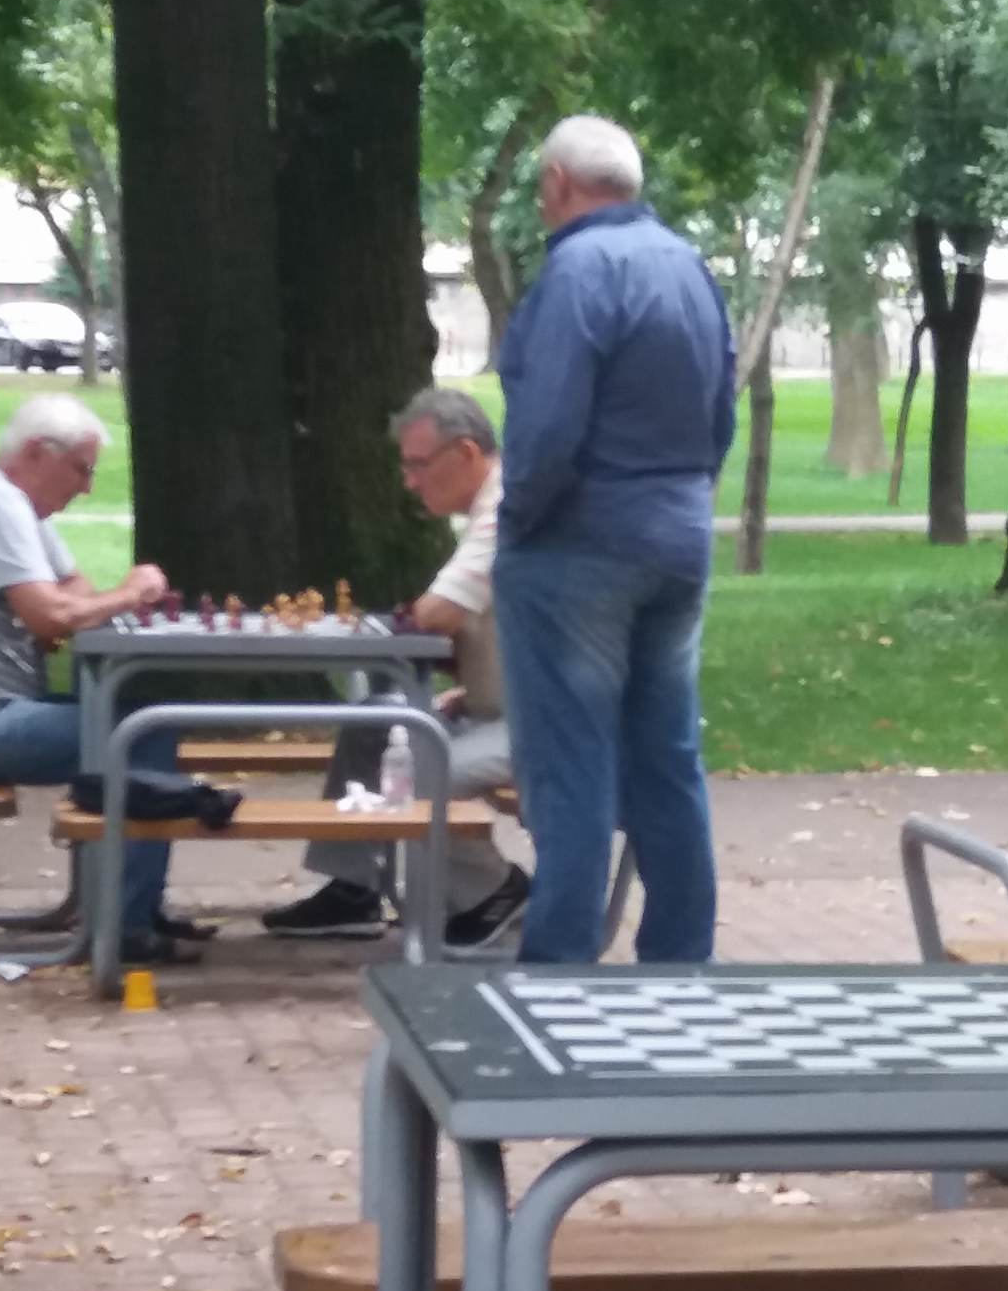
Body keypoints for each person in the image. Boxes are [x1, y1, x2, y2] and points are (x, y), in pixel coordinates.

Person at [493, 114, 737, 964]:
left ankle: (560, 971)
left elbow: (548, 425)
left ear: (559, 182)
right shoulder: (689, 268)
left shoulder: (577, 270)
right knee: (668, 759)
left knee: (572, 767)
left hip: (580, 544)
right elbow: (719, 416)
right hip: (679, 535)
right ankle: (680, 960)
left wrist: (518, 522)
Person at [0, 392, 197, 965]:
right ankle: (127, 926)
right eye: (80, 469)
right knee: (142, 735)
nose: (87, 487)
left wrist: (89, 606)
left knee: (131, 717)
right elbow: (53, 615)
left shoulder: (19, 507)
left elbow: (73, 592)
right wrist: (128, 594)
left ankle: (124, 906)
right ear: (35, 453)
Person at [262, 388, 530, 953]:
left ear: (465, 453)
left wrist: (433, 630)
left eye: (418, 465)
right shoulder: (485, 508)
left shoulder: (506, 508)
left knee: (419, 768)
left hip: (541, 726)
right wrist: (472, 684)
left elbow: (437, 613)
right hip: (497, 708)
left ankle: (494, 890)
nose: (409, 481)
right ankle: (354, 887)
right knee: (374, 724)